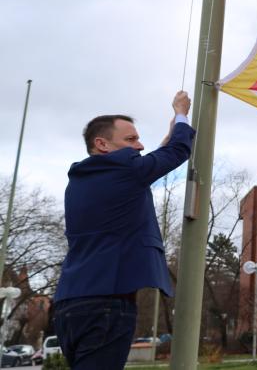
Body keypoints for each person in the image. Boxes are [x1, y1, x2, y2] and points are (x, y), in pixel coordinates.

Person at [53, 91, 195, 369]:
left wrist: (172, 131)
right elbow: (176, 152)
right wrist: (181, 112)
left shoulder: (83, 179)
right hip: (106, 304)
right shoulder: (126, 171)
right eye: (131, 140)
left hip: (70, 304)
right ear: (102, 144)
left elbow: (152, 160)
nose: (140, 146)